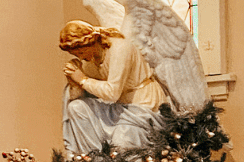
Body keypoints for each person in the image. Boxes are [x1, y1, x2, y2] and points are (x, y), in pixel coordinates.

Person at [59, 20, 165, 154]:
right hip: (118, 107)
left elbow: (112, 92)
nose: (81, 57)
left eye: (80, 52)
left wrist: (82, 79)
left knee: (120, 145)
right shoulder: (90, 59)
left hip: (142, 105)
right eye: (76, 55)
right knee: (76, 108)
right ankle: (94, 160)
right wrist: (73, 81)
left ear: (90, 42)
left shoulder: (120, 48)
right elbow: (77, 97)